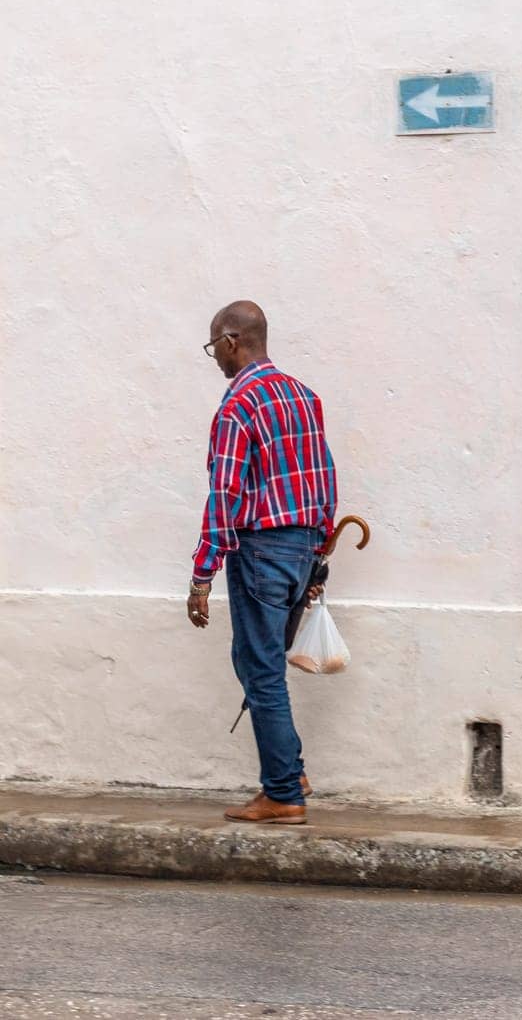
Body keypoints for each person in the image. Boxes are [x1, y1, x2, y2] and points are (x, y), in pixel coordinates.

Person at [186, 301, 338, 824]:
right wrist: (317, 557)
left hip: (261, 552)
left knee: (262, 669)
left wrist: (202, 575)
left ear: (232, 342)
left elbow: (224, 493)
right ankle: (289, 771)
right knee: (255, 663)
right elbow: (324, 479)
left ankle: (282, 791)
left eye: (214, 348)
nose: (215, 360)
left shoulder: (238, 406)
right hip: (300, 549)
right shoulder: (303, 397)